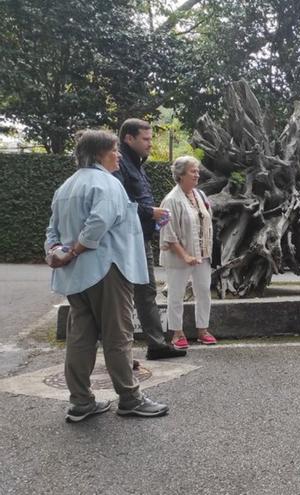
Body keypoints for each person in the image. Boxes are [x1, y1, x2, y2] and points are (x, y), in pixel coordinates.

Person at [45, 130, 169, 422]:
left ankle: (80, 401)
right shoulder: (108, 184)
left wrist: (56, 251)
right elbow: (99, 222)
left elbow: (52, 229)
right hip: (107, 269)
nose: (118, 156)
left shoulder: (66, 186)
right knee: (118, 335)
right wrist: (77, 249)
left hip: (76, 276)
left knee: (81, 336)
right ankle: (130, 398)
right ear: (100, 153)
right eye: (114, 150)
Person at [113, 118, 186, 360]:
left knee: (145, 293)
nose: (150, 144)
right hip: (127, 240)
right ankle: (130, 351)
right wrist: (149, 212)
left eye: (150, 138)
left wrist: (152, 217)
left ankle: (155, 345)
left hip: (139, 236)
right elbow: (118, 202)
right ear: (128, 138)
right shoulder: (120, 162)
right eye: (145, 139)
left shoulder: (137, 163)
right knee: (128, 294)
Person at [158, 156, 216, 349]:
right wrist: (185, 256)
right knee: (176, 294)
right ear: (180, 175)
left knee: (204, 292)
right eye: (193, 171)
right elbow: (168, 233)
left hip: (202, 254)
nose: (197, 174)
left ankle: (203, 330)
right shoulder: (171, 200)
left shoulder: (199, 195)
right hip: (179, 256)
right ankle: (177, 333)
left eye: (197, 171)